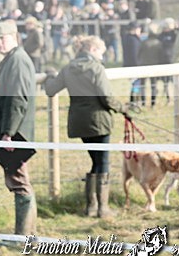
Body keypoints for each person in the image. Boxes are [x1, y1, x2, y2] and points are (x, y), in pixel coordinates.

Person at [44, 35, 129, 218]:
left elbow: (50, 89)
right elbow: (106, 97)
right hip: (99, 121)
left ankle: (92, 206)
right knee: (103, 162)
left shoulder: (67, 69)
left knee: (95, 161)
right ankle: (103, 208)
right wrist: (123, 109)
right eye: (100, 53)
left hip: (79, 122)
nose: (101, 57)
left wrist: (50, 75)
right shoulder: (96, 68)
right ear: (92, 50)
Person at [0, 20, 37, 241]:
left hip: (15, 133)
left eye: (1, 39)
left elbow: (17, 100)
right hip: (11, 129)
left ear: (13, 36)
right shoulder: (11, 60)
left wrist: (9, 132)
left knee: (19, 181)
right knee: (18, 179)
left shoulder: (18, 61)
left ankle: (24, 237)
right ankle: (25, 235)